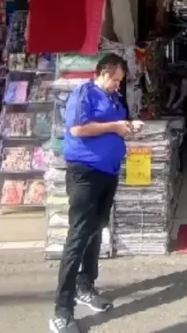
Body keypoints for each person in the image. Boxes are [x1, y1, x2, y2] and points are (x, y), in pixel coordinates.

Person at [50, 53, 141, 333]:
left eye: (120, 81)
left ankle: (85, 285)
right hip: (85, 173)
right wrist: (115, 126)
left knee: (96, 229)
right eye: (115, 80)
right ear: (102, 73)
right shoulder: (83, 93)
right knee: (78, 236)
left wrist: (127, 127)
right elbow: (78, 128)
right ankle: (62, 310)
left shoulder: (114, 98)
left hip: (108, 172)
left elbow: (113, 127)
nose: (117, 85)